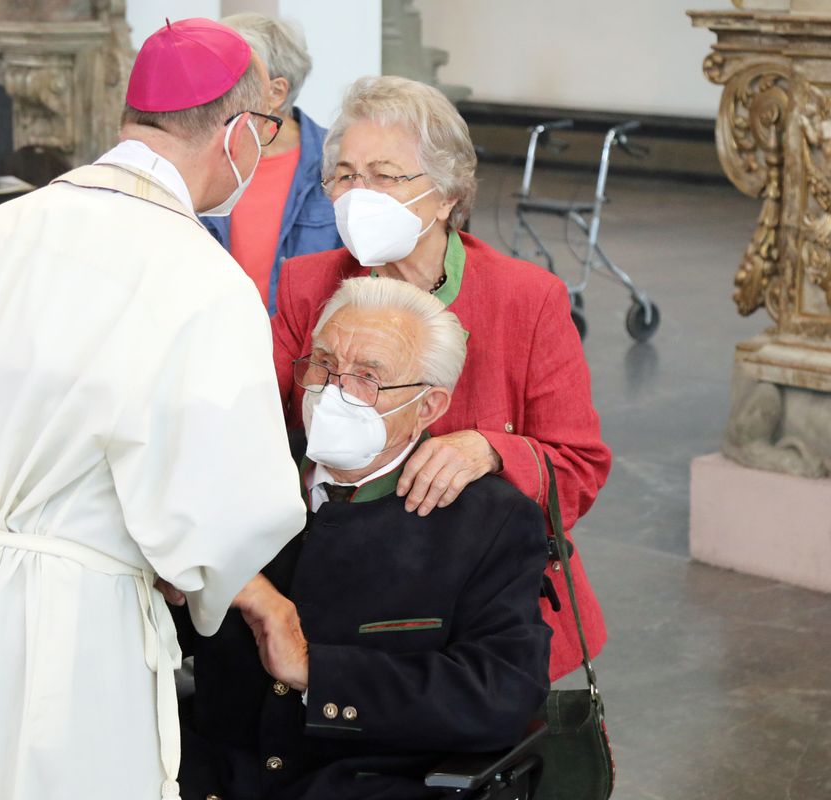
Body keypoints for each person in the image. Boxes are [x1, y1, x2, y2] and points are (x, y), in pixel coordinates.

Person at [0, 18, 307, 800]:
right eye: (264, 129)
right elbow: (222, 514)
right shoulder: (198, 274)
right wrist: (210, 581)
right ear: (235, 134)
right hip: (64, 623)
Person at [271, 76, 611, 681]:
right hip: (339, 595)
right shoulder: (306, 284)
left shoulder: (525, 299)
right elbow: (257, 429)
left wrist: (492, 450)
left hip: (481, 613)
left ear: (446, 195)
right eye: (345, 176)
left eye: (384, 175)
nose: (358, 194)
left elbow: (580, 465)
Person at [179, 276, 552, 800]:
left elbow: (500, 694)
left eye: (367, 378)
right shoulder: (245, 471)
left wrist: (316, 670)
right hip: (212, 775)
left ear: (427, 407)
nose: (333, 391)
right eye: (324, 365)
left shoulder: (487, 522)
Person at [202, 13, 340, 314]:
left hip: (306, 352)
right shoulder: (200, 154)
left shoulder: (338, 165)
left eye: (229, 73)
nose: (212, 84)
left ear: (275, 92)